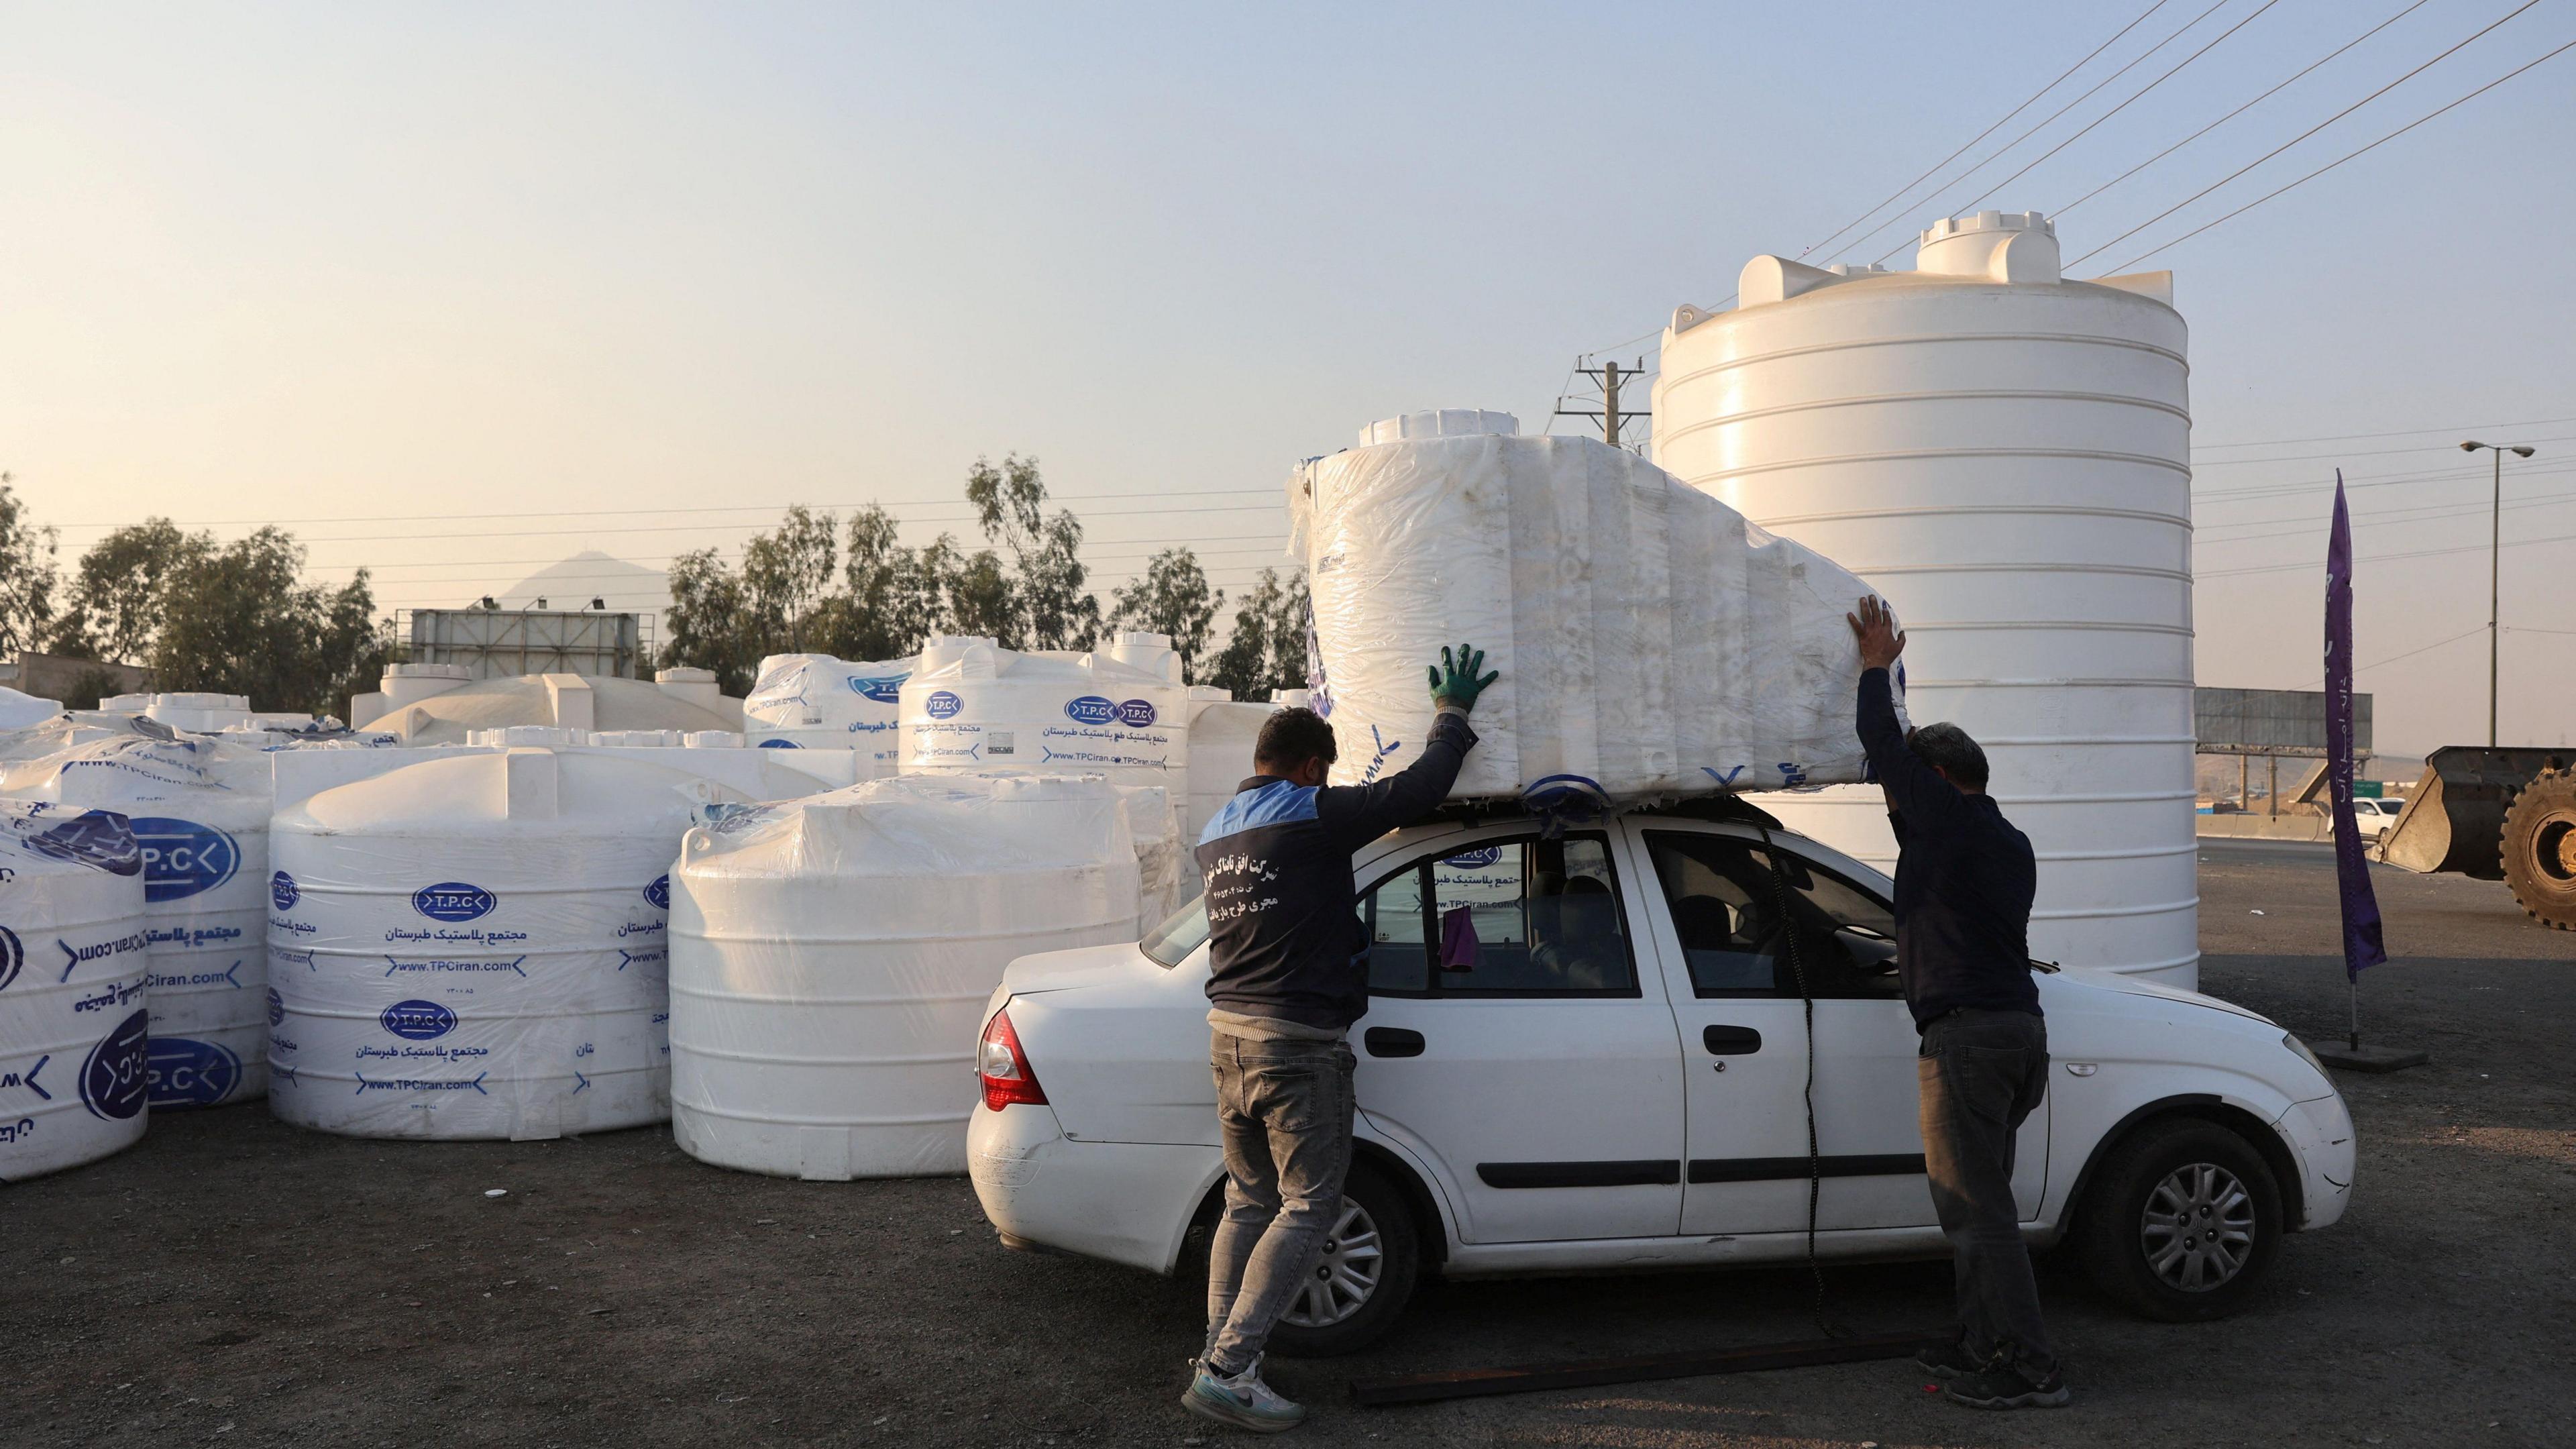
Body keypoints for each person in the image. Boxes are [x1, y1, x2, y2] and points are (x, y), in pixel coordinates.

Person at [1181, 643, 1498, 1434]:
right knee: (1310, 1206)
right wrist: (1452, 718)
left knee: (1248, 1201)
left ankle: (1218, 1354)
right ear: (1310, 769)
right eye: (1325, 772)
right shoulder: (1309, 812)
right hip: (1294, 1043)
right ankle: (1230, 1370)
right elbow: (1419, 791)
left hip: (1228, 1039)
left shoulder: (1218, 831)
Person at [1846, 594, 2065, 1411]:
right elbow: (1905, 812)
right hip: (2017, 1034)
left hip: (1968, 1044)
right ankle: (1982, 1341)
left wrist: (1874, 667)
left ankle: (2031, 1367)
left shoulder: (1947, 819)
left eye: (1907, 785)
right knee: (1983, 1206)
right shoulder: (2000, 837)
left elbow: (1879, 748)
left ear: (1937, 780)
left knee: (1976, 1215)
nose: (1894, 794)